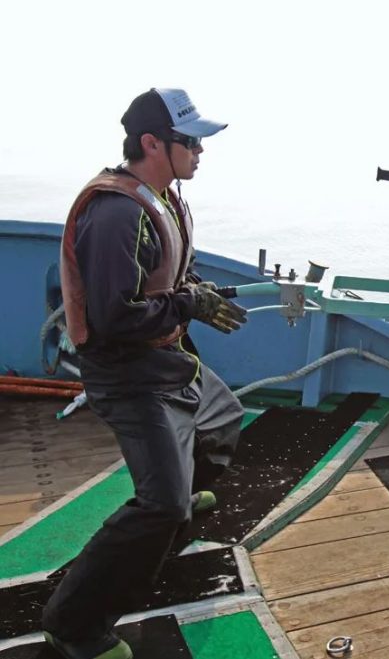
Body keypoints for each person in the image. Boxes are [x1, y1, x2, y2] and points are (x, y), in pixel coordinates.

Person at [42, 88, 249, 659]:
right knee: (160, 505)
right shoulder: (117, 214)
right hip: (127, 372)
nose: (201, 151)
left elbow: (172, 272)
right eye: (192, 142)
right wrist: (187, 305)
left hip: (165, 357)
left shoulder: (164, 199)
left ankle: (181, 495)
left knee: (223, 419)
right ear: (154, 143)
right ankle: (73, 625)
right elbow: (113, 318)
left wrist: (195, 292)